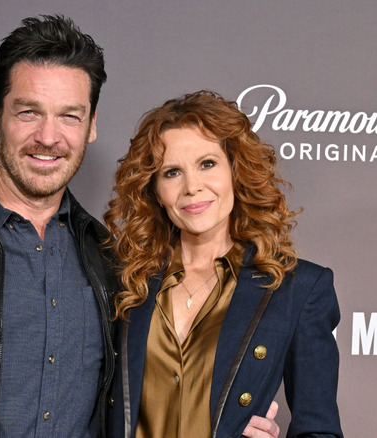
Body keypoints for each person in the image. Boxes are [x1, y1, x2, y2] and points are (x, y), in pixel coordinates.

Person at [0, 15, 280, 438]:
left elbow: (150, 398)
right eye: (29, 112)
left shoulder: (111, 258)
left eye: (69, 116)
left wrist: (231, 427)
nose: (49, 137)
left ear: (90, 126)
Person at [104, 90, 343, 437]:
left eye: (207, 164)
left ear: (235, 171)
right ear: (155, 190)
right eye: (172, 172)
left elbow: (320, 430)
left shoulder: (297, 289)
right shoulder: (122, 280)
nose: (192, 187)